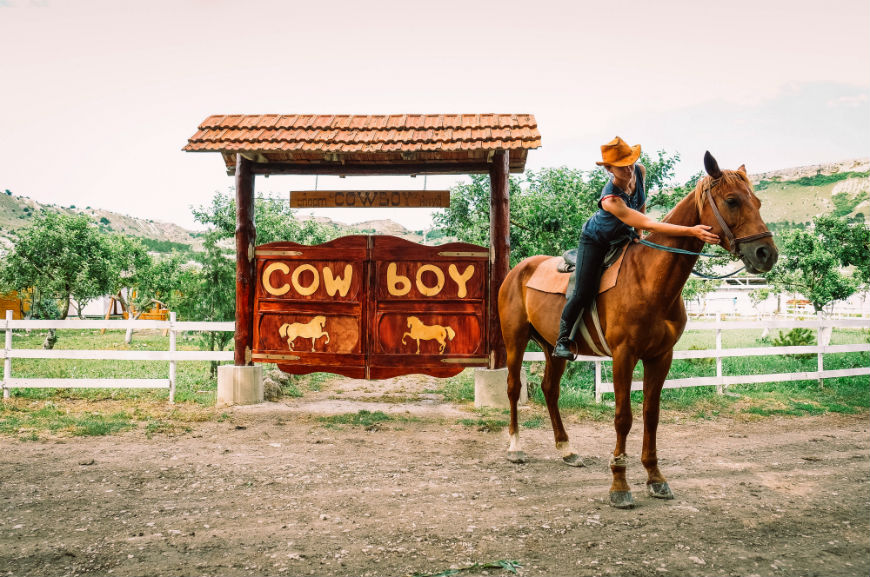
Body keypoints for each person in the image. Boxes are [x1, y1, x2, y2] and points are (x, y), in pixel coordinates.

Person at [552, 136, 721, 359]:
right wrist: (691, 231)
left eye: (630, 162)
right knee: (583, 290)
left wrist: (639, 236)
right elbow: (649, 222)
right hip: (597, 240)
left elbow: (641, 206)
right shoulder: (610, 200)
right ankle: (563, 340)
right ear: (610, 169)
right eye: (622, 167)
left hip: (624, 235)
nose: (629, 169)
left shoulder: (639, 171)